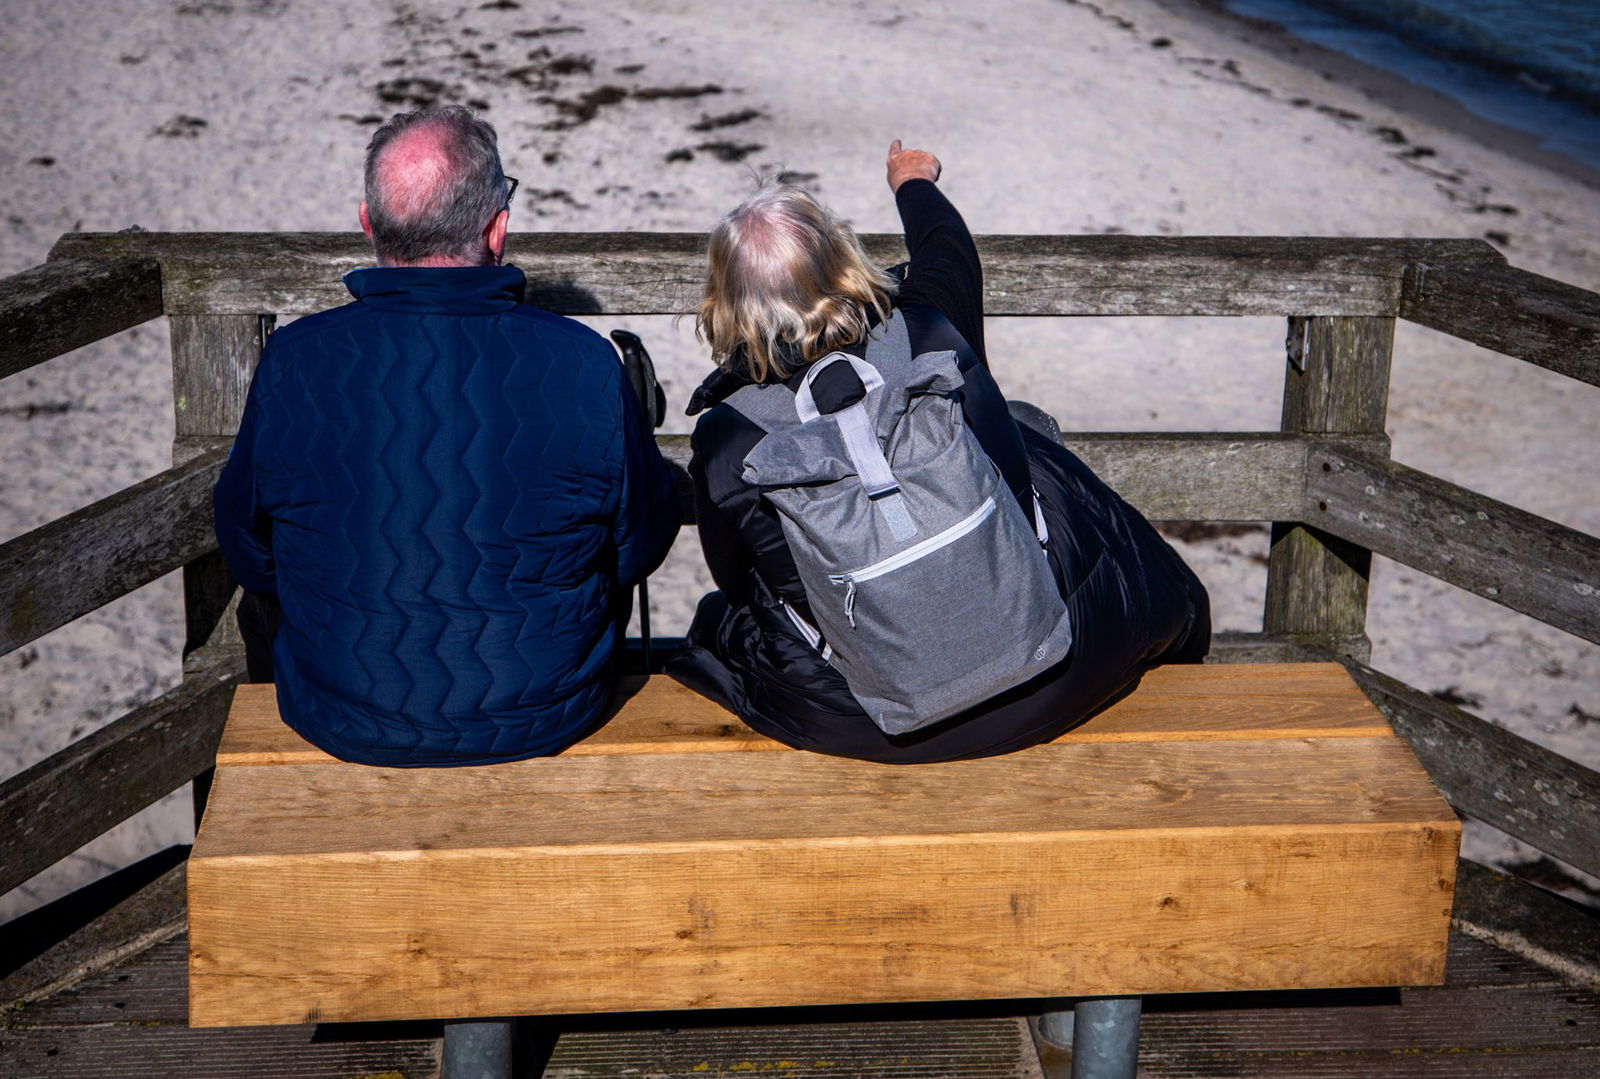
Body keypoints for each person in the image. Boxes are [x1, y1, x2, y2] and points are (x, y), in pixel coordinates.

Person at [667, 141, 1210, 763]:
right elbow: (947, 247)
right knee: (1040, 457)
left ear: (726, 300)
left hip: (882, 724)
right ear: (841, 263)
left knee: (723, 624)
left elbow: (735, 577)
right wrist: (912, 179)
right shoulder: (930, 327)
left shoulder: (726, 435)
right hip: (1062, 668)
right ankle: (1185, 629)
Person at [213, 105, 679, 767]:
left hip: (341, 716)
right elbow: (638, 545)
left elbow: (247, 547)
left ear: (369, 224)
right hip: (547, 714)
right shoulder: (583, 361)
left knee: (267, 608)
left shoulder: (295, 359)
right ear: (497, 228)